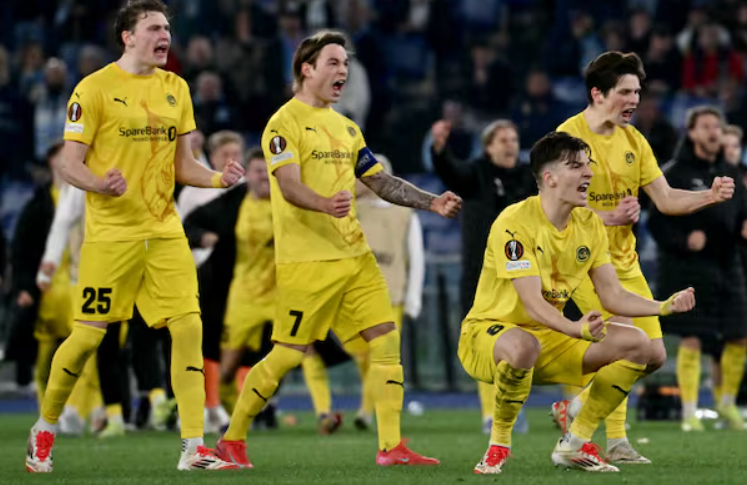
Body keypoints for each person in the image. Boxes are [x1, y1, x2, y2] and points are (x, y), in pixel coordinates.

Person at [214, 29, 461, 468]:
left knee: (386, 340)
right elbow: (288, 186)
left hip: (355, 257)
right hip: (308, 262)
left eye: (346, 63)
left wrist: (431, 202)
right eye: (333, 62)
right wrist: (326, 203)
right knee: (287, 355)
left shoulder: (346, 127)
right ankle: (232, 440)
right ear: (307, 69)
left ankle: (391, 446)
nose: (343, 70)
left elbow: (379, 180)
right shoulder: (283, 123)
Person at [25, 0, 244, 473]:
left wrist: (216, 179)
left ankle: (193, 447)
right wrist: (99, 184)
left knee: (189, 327)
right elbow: (70, 164)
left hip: (164, 231)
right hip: (112, 236)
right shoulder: (93, 88)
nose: (164, 35)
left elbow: (183, 164)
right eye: (153, 28)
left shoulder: (176, 88)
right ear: (127, 36)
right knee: (88, 336)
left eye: (167, 28)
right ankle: (43, 428)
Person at [461, 131, 695, 475]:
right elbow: (532, 303)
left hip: (549, 339)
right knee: (523, 345)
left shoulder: (589, 224)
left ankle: (574, 443)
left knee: (639, 345)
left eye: (588, 164)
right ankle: (498, 445)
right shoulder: (513, 223)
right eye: (576, 166)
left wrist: (663, 306)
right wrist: (575, 328)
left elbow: (612, 295)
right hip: (487, 336)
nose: (588, 173)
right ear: (549, 178)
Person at [554, 51, 734, 464]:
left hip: (625, 261)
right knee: (625, 347)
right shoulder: (568, 137)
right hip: (584, 262)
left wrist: (708, 195)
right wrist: (608, 217)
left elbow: (666, 198)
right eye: (625, 91)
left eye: (637, 91)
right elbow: (554, 204)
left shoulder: (634, 140)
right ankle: (596, 440)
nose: (634, 99)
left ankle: (577, 408)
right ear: (598, 94)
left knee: (652, 355)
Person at [430, 118, 535, 433]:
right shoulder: (476, 174)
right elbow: (451, 173)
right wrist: (440, 150)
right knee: (487, 343)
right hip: (481, 275)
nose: (510, 145)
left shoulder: (528, 178)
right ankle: (491, 413)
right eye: (502, 139)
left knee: (523, 341)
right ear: (488, 147)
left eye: (513, 139)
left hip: (523, 273)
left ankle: (514, 407)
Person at [648, 107, 747, 432]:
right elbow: (656, 223)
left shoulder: (729, 171)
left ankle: (727, 404)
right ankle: (690, 412)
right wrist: (683, 240)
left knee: (740, 334)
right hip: (688, 266)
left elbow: (741, 210)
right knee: (692, 337)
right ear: (691, 133)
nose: (713, 131)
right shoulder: (674, 172)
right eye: (705, 126)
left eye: (716, 126)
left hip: (727, 263)